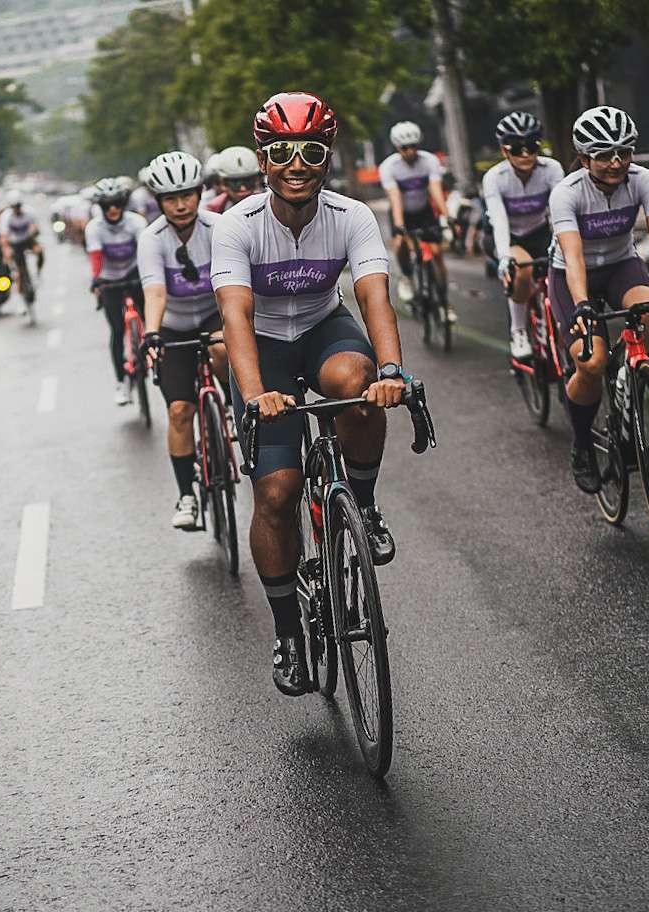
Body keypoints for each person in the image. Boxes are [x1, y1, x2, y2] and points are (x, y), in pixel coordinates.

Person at [213, 91, 408, 696]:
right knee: (276, 491)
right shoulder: (237, 226)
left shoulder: (351, 216)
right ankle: (289, 634)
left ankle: (366, 507)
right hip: (266, 346)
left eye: (311, 151)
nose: (296, 163)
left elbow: (374, 295)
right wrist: (254, 396)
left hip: (325, 328)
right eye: (280, 151)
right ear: (263, 160)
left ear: (328, 156)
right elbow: (236, 317)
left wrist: (393, 371)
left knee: (359, 383)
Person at [548, 105, 649, 494]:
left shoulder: (644, 179)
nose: (616, 162)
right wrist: (582, 304)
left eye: (624, 152)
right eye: (603, 155)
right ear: (584, 158)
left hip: (621, 264)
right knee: (591, 360)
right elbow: (572, 257)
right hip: (574, 274)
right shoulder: (566, 193)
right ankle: (583, 444)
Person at [137, 151, 228, 530]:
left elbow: (232, 285)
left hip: (214, 315)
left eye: (187, 195)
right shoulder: (152, 239)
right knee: (178, 411)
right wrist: (152, 334)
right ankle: (186, 495)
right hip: (173, 326)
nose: (180, 205)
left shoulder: (220, 227)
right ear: (159, 202)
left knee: (222, 348)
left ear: (200, 193)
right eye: (171, 198)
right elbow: (155, 293)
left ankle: (236, 412)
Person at [482, 112, 565, 359]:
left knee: (561, 270)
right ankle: (518, 330)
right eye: (517, 149)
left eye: (531, 146)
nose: (526, 154)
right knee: (522, 270)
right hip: (509, 236)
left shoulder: (552, 169)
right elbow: (498, 219)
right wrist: (506, 256)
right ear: (505, 151)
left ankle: (546, 313)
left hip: (539, 232)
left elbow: (560, 213)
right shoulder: (495, 178)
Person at [86, 176, 150, 405]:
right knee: (115, 329)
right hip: (109, 278)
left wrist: (151, 277)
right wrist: (96, 281)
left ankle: (152, 355)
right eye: (106, 206)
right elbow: (95, 258)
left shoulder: (136, 222)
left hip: (134, 273)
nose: (112, 210)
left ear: (123, 204)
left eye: (116, 204)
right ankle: (122, 382)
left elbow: (146, 252)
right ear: (100, 207)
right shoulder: (94, 227)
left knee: (151, 318)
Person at [378, 121, 450, 313]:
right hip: (401, 212)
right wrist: (400, 226)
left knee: (436, 253)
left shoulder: (429, 161)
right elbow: (395, 197)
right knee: (400, 243)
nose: (410, 151)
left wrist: (448, 216)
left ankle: (444, 301)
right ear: (397, 147)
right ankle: (407, 276)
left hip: (424, 211)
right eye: (404, 148)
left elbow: (435, 190)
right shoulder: (389, 167)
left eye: (413, 147)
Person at [0, 192, 44, 299]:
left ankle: (38, 272)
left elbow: (37, 228)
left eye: (18, 206)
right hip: (14, 243)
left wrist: (34, 231)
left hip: (28, 239)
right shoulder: (6, 217)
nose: (17, 209)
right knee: (19, 272)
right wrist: (6, 252)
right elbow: (3, 238)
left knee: (40, 251)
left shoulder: (29, 212)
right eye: (14, 207)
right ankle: (21, 298)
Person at [205, 145, 263, 214]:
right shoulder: (213, 211)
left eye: (248, 181)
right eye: (235, 183)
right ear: (224, 184)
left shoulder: (271, 203)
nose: (243, 188)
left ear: (256, 180)